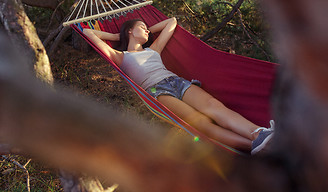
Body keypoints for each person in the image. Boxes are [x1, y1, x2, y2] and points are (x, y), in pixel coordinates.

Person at [83, 17, 274, 154]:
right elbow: (87, 32)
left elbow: (171, 21)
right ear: (130, 31)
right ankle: (254, 146)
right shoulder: (120, 57)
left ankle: (259, 132)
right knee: (202, 124)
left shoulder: (154, 49)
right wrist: (117, 36)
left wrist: (139, 29)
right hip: (157, 91)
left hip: (176, 81)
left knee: (215, 107)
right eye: (143, 27)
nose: (148, 30)